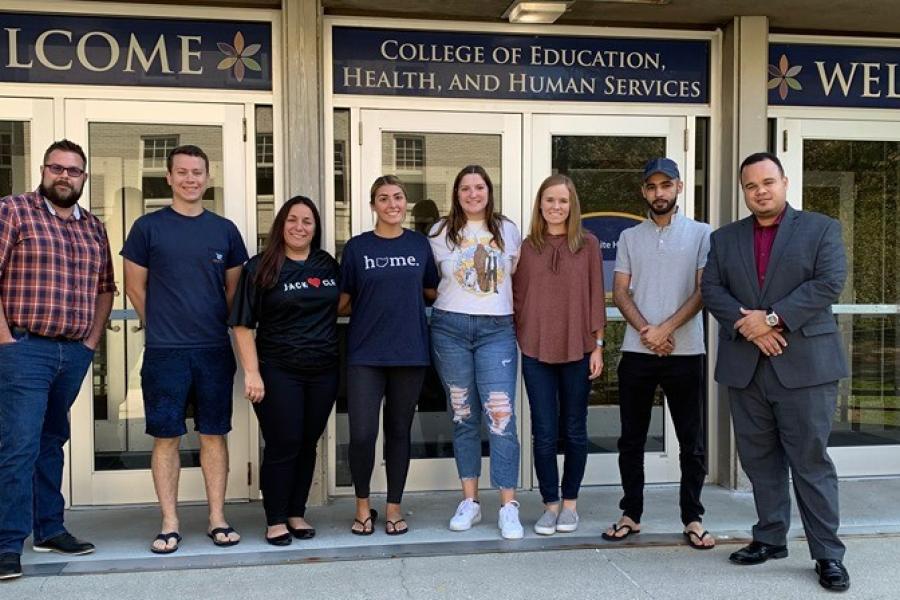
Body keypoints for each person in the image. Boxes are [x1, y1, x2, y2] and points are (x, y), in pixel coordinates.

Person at [701, 152, 850, 591]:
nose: (760, 191)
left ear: (784, 182)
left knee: (810, 462)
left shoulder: (821, 229)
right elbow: (712, 289)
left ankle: (828, 554)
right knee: (760, 462)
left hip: (805, 367)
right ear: (743, 191)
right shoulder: (725, 239)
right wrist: (751, 328)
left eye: (768, 182)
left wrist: (771, 319)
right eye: (751, 186)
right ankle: (770, 538)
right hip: (747, 369)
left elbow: (827, 283)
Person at [122, 145, 249, 554]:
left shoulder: (225, 230)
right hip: (165, 351)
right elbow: (134, 286)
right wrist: (158, 323)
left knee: (214, 434)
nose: (190, 179)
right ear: (169, 177)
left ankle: (217, 517)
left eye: (197, 172)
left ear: (208, 178)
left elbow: (234, 291)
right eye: (183, 172)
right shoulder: (147, 227)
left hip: (213, 348)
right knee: (166, 437)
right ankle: (170, 522)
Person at [0, 140, 115, 580]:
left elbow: (106, 287)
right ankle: (8, 543)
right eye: (57, 168)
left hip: (73, 352)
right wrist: (6, 340)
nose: (64, 176)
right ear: (44, 170)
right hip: (25, 348)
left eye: (74, 171)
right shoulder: (14, 211)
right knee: (20, 444)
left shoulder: (93, 228)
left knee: (51, 441)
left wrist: (90, 340)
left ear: (84, 178)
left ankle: (49, 528)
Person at [603, 158, 714, 550]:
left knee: (692, 442)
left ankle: (693, 517)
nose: (658, 193)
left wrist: (665, 329)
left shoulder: (702, 234)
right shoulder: (630, 237)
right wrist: (649, 333)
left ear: (679, 188)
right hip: (638, 352)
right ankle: (631, 514)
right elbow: (620, 291)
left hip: (686, 352)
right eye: (651, 187)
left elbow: (703, 291)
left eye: (665, 185)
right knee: (631, 440)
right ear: (643, 191)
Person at [230, 196, 340, 546]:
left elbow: (341, 305)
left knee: (308, 443)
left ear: (316, 228)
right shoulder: (260, 267)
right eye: (293, 220)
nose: (299, 227)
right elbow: (243, 324)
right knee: (284, 442)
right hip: (278, 369)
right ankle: (275, 517)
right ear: (281, 224)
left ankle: (296, 511)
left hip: (323, 370)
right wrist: (252, 372)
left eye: (307, 221)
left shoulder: (326, 265)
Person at [339, 175, 439, 536]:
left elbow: (431, 290)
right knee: (363, 434)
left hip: (410, 352)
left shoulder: (419, 246)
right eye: (384, 198)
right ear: (373, 206)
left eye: (398, 197)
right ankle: (363, 506)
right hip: (365, 354)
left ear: (405, 203)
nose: (393, 204)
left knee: (399, 431)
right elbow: (344, 299)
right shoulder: (356, 248)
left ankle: (394, 507)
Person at [428, 165, 524, 539]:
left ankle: (508, 506)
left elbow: (513, 280)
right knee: (463, 416)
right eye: (465, 188)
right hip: (450, 329)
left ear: (489, 191)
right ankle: (470, 502)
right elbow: (429, 283)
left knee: (501, 416)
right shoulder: (439, 233)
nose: (472, 194)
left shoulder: (508, 230)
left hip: (496, 331)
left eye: (479, 187)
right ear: (456, 193)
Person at [512, 174, 605, 535]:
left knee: (575, 430)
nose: (556, 207)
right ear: (540, 204)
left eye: (563, 201)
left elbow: (596, 295)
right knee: (544, 431)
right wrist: (523, 335)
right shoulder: (527, 247)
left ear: (572, 205)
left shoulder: (588, 244)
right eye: (549, 200)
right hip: (536, 350)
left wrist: (598, 345)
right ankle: (549, 505)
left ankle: (570, 504)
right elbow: (518, 297)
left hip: (578, 348)